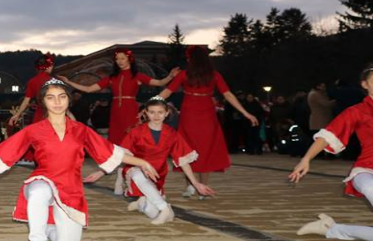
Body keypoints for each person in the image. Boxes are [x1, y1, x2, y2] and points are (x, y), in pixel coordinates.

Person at [0, 78, 159, 241]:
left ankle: (47, 228)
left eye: (61, 97)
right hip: (43, 180)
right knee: (40, 191)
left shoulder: (82, 130)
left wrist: (141, 162)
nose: (57, 102)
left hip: (71, 190)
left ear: (68, 100)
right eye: (51, 97)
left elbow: (110, 152)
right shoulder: (33, 130)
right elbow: (2, 153)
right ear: (44, 102)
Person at [84, 97, 215, 224]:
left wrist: (196, 183)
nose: (156, 116)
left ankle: (141, 203)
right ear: (146, 113)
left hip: (157, 174)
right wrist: (101, 172)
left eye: (160, 112)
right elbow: (120, 156)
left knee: (152, 212)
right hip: (135, 169)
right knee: (138, 175)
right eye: (152, 112)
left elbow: (183, 160)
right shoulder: (136, 132)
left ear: (166, 113)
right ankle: (165, 208)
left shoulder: (172, 134)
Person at [157, 46, 258, 198]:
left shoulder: (185, 74)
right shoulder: (214, 75)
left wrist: (150, 104)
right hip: (207, 115)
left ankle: (190, 185)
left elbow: (167, 92)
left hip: (189, 114)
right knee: (206, 150)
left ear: (190, 59)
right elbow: (228, 95)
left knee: (187, 149)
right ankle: (202, 187)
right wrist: (246, 113)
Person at [290, 64, 373, 241]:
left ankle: (332, 229)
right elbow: (329, 135)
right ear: (365, 84)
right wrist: (306, 159)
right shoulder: (357, 111)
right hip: (367, 172)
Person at [60, 49, 178, 145]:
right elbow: (89, 89)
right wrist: (69, 82)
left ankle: (133, 162)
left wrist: (170, 76)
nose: (119, 61)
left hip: (130, 109)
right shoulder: (112, 78)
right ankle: (118, 162)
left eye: (122, 58)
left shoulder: (137, 76)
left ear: (129, 59)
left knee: (131, 135)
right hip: (116, 110)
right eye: (117, 59)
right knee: (115, 137)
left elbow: (159, 82)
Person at [9, 53, 55, 127]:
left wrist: (17, 114)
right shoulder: (54, 81)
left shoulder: (32, 81)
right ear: (48, 66)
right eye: (52, 65)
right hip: (54, 115)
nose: (52, 67)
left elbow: (26, 101)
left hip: (39, 116)